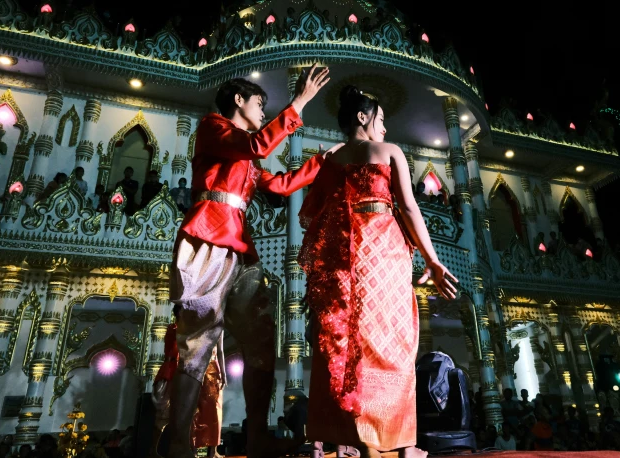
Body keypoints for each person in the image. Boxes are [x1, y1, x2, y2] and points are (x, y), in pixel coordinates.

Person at [166, 65, 332, 458]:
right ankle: (176, 441)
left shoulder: (245, 151)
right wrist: (300, 101)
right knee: (199, 340)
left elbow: (282, 185)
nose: (262, 110)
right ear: (238, 101)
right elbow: (257, 145)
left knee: (260, 341)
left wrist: (322, 160)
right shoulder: (213, 127)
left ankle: (257, 435)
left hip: (240, 247)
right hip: (206, 238)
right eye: (259, 103)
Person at [299, 85, 458, 458]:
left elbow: (313, 216)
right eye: (381, 120)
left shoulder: (331, 160)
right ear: (363, 117)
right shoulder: (388, 152)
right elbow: (408, 207)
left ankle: (356, 437)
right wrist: (432, 260)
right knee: (392, 340)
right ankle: (394, 438)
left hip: (341, 257)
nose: (384, 129)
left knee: (346, 343)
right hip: (382, 251)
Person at [151, 304, 182, 458]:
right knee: (163, 416)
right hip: (169, 373)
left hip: (178, 374)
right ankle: (153, 450)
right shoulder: (174, 328)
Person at [192, 348, 224, 458]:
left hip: (214, 370)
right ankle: (194, 449)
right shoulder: (198, 330)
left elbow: (220, 351)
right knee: (197, 411)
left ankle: (213, 450)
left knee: (216, 412)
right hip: (198, 368)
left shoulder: (219, 330)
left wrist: (223, 374)